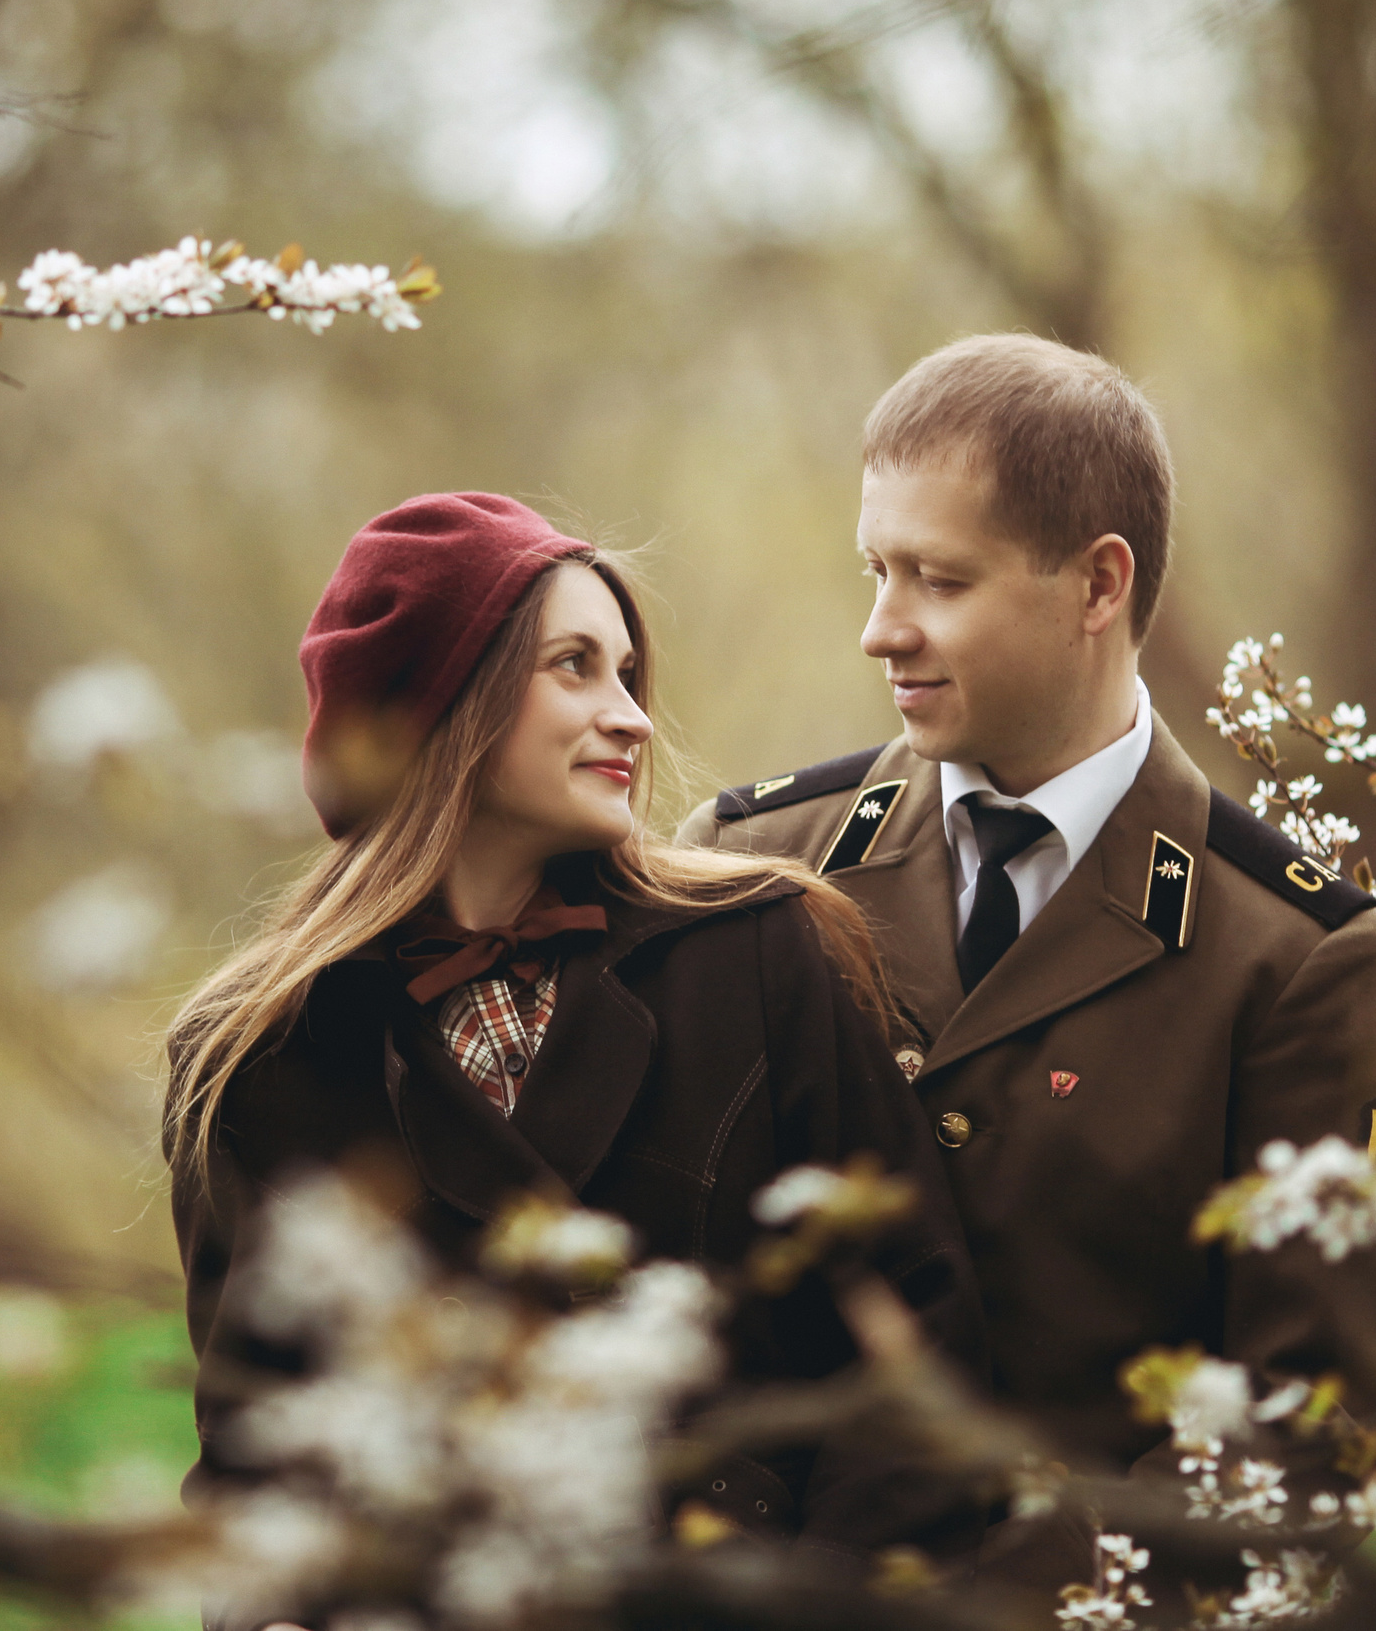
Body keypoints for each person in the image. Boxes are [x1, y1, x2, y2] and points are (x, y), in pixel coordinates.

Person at [678, 335, 1376, 1587]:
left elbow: (1319, 1454)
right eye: (876, 570)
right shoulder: (756, 870)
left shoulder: (1293, 958)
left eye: (937, 580)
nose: (880, 629)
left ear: (1096, 584)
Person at [163, 491, 985, 1558]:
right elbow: (255, 1454)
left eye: (629, 675)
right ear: (441, 702)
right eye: (575, 667)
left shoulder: (755, 955)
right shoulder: (257, 1051)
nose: (633, 718)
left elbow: (915, 1337)